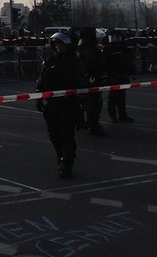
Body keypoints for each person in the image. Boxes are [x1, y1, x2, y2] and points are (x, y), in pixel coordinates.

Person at [36, 32, 87, 178]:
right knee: (53, 133)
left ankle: (67, 161)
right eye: (56, 45)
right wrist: (39, 97)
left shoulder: (74, 62)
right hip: (53, 104)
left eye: (61, 44)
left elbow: (81, 82)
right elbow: (42, 79)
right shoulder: (50, 61)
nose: (58, 47)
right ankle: (61, 155)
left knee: (67, 133)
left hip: (68, 103)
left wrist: (65, 76)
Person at [76, 27, 108, 136]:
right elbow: (93, 65)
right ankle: (93, 125)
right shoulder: (90, 49)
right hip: (91, 79)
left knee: (82, 102)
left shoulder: (79, 48)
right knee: (94, 103)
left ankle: (83, 122)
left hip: (82, 79)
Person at [104, 31, 135, 122]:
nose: (114, 40)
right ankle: (112, 115)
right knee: (113, 97)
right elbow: (105, 63)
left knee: (122, 96)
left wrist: (131, 71)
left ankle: (122, 114)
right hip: (113, 75)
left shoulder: (123, 48)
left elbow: (128, 61)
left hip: (122, 74)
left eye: (116, 37)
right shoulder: (108, 49)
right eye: (112, 37)